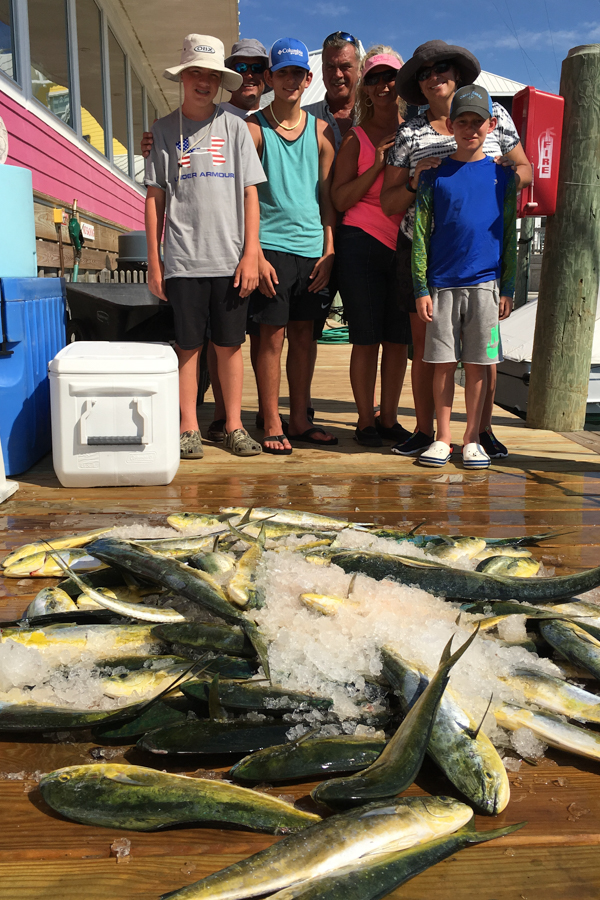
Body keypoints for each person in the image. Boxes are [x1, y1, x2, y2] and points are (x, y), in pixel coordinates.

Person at [380, 40, 531, 459]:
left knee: (483, 354)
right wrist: (416, 181)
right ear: (418, 84)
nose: (434, 76)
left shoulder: (496, 116)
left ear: (458, 73)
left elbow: (526, 171)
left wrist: (506, 173)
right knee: (429, 348)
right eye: (424, 72)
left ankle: (480, 433)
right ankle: (428, 431)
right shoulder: (410, 132)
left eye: (442, 67)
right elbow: (390, 202)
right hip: (427, 255)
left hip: (484, 261)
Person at [140, 38, 270, 445]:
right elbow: (154, 198)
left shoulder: (235, 127)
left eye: (212, 75)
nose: (204, 82)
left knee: (230, 345)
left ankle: (234, 425)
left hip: (230, 261)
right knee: (188, 347)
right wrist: (155, 263)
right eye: (196, 72)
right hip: (182, 260)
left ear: (220, 81)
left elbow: (251, 193)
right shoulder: (162, 130)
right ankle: (188, 426)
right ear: (183, 77)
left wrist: (252, 253)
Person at [411, 85, 516, 469]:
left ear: (490, 124)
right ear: (451, 125)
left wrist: (510, 286)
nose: (470, 129)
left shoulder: (504, 177)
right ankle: (442, 437)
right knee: (441, 363)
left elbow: (509, 236)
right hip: (442, 284)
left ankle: (473, 437)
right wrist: (421, 287)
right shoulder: (433, 176)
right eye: (462, 121)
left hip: (486, 285)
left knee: (479, 364)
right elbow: (420, 234)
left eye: (477, 121)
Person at [246, 38, 337, 455]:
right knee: (271, 337)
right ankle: (269, 419)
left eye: (296, 74)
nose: (289, 80)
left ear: (307, 78)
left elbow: (328, 200)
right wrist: (255, 254)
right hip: (271, 250)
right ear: (270, 77)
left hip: (313, 251)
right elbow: (241, 197)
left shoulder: (321, 132)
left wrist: (329, 250)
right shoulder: (254, 128)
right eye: (281, 72)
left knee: (305, 337)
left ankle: (299, 418)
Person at [331, 46, 412, 447]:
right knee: (366, 337)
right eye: (376, 79)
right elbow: (340, 199)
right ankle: (365, 420)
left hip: (405, 247)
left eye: (391, 77)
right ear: (366, 88)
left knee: (397, 340)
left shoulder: (417, 132)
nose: (384, 86)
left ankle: (389, 418)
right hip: (361, 243)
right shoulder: (355, 139)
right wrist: (378, 164)